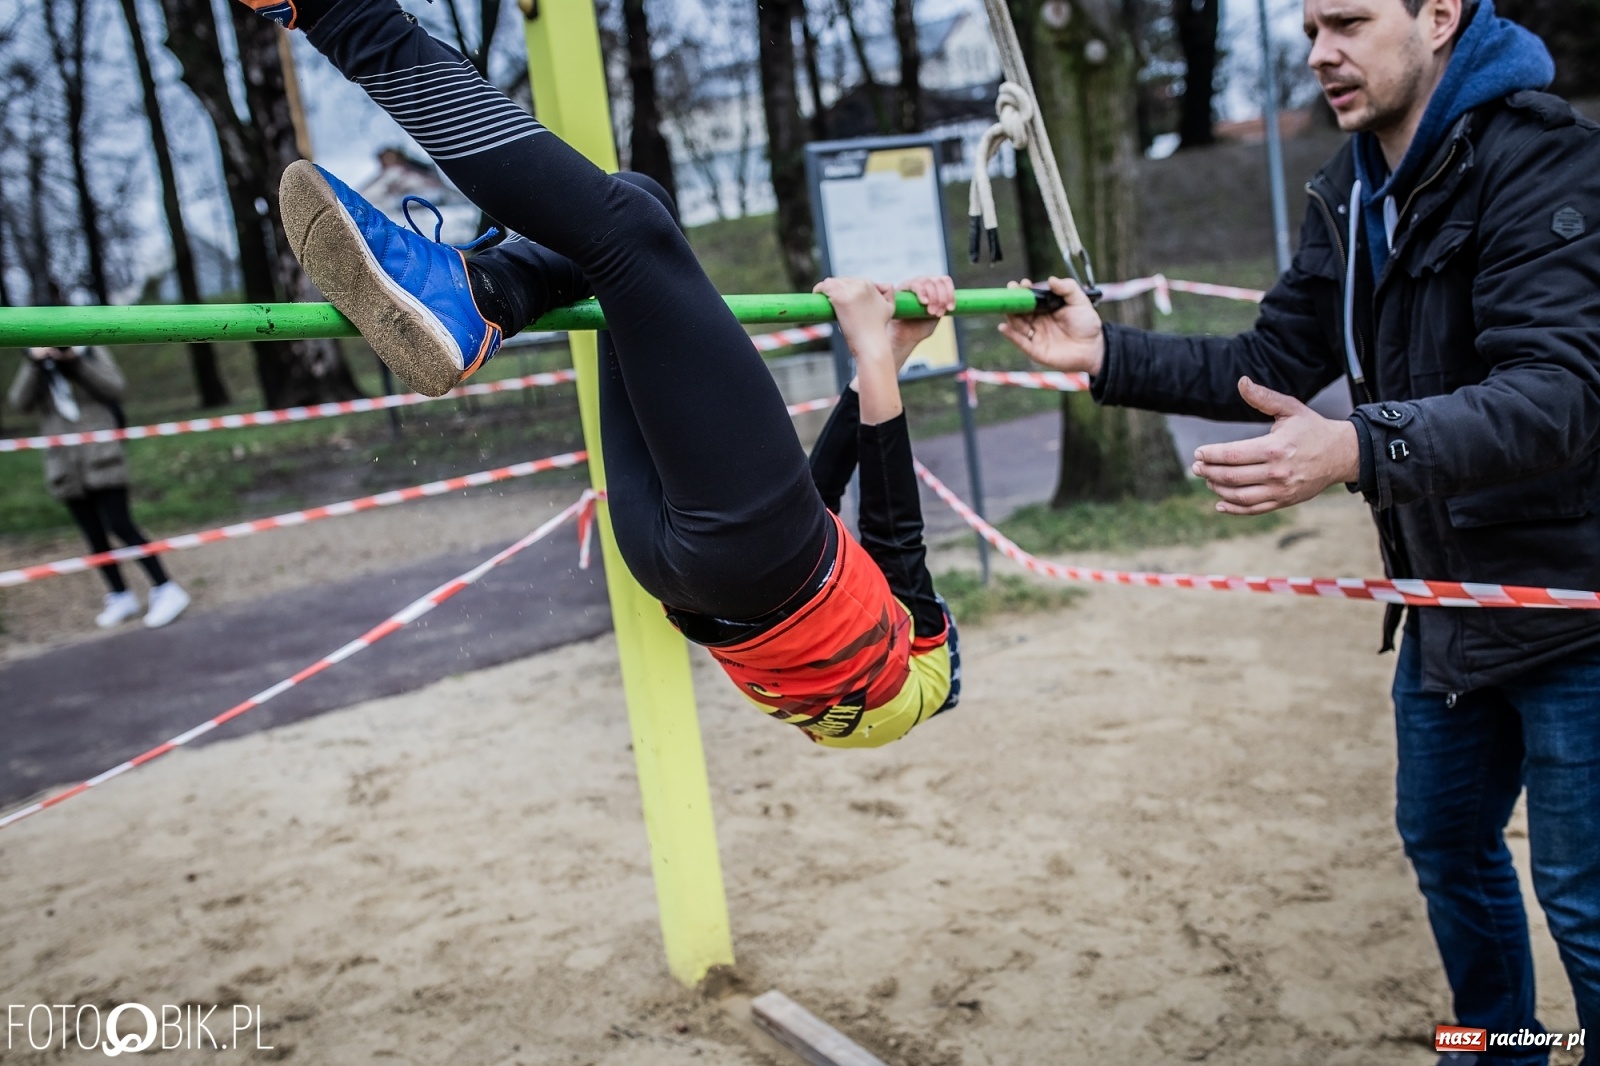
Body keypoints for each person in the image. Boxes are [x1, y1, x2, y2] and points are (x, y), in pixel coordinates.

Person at [1001, 0, 1600, 1061]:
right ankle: (1496, 1054)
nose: (1320, 51)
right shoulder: (1351, 186)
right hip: (1443, 612)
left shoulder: (1542, 158)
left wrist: (1353, 447)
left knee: (1582, 903)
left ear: (1439, 16)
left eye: (1350, 21)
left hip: (1569, 609)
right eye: (1309, 26)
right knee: (1446, 850)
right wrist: (1103, 354)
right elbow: (1269, 365)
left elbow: (1554, 397)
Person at [234, 0, 958, 747]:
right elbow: (826, 501)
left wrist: (874, 354)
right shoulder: (857, 699)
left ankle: (335, 14)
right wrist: (886, 361)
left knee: (627, 234)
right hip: (677, 570)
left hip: (765, 558)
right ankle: (487, 296)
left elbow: (894, 532)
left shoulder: (924, 677)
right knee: (637, 207)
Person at [8, 347, 191, 629]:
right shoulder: (38, 361)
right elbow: (20, 401)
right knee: (93, 535)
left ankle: (165, 586)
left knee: (121, 524)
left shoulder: (90, 350)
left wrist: (74, 361)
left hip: (102, 457)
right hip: (65, 464)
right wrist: (35, 362)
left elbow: (114, 387)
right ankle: (120, 594)